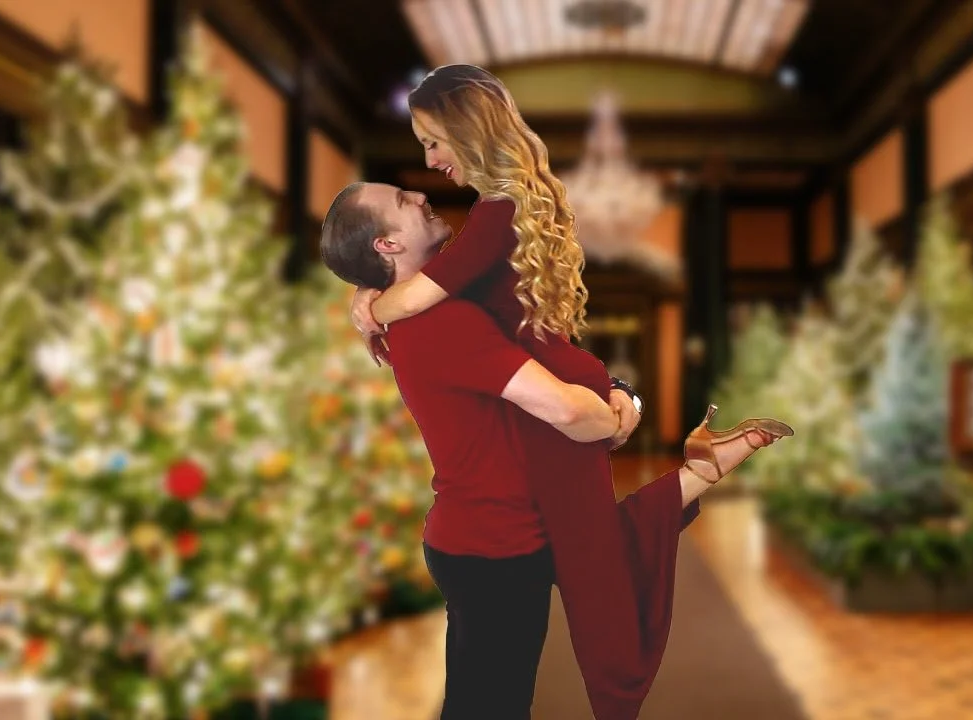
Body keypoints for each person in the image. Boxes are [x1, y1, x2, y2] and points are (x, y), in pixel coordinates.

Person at [338, 67, 791, 720]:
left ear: (469, 133)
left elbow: (424, 292)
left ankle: (696, 478)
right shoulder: (502, 219)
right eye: (418, 161)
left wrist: (372, 307)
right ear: (386, 243)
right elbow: (555, 394)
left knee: (592, 562)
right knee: (595, 554)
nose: (428, 168)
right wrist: (615, 407)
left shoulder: (481, 231)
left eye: (433, 142)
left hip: (552, 418)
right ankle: (700, 471)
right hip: (558, 410)